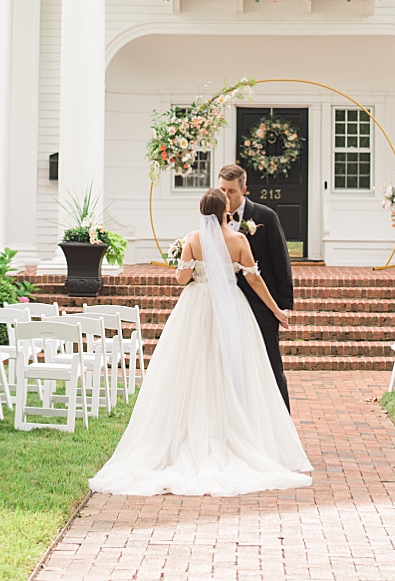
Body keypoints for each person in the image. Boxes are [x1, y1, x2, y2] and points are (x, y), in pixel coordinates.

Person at [89, 187, 312, 498]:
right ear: (225, 211)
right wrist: (276, 309)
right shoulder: (239, 241)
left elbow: (181, 279)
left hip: (195, 308)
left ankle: (191, 432)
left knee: (191, 366)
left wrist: (189, 264)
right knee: (232, 366)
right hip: (231, 309)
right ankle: (234, 431)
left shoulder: (192, 239)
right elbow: (254, 279)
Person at [218, 163, 295, 408]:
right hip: (227, 302)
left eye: (231, 191)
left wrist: (283, 305)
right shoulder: (212, 220)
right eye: (222, 190)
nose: (226, 196)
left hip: (261, 303)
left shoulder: (265, 217)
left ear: (244, 190)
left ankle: (282, 419)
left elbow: (281, 261)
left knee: (271, 363)